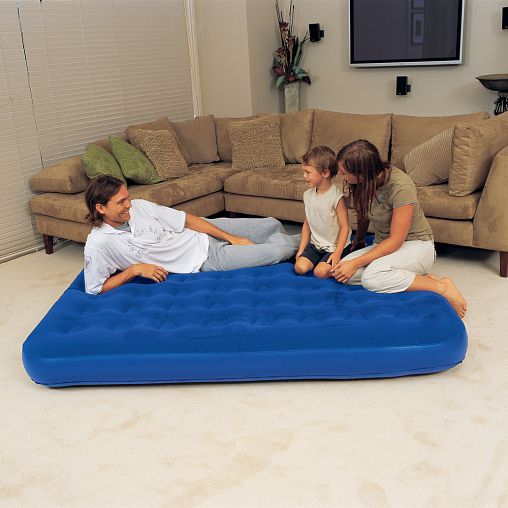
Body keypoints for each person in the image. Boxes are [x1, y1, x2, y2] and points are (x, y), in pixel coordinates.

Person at [83, 175, 300, 295]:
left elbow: (185, 220)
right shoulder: (98, 244)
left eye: (128, 198)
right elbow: (94, 289)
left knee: (271, 224)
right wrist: (133, 270)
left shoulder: (139, 206)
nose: (129, 204)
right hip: (205, 259)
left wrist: (230, 237)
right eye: (121, 202)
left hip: (202, 230)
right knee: (279, 251)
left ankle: (308, 244)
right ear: (100, 208)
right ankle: (314, 246)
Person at [331, 139, 467, 318]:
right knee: (344, 272)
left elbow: (396, 240)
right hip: (384, 245)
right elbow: (364, 212)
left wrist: (356, 263)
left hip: (416, 245)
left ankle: (442, 287)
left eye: (344, 172)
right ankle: (420, 279)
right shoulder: (364, 182)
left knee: (371, 277)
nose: (340, 174)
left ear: (362, 172)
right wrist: (359, 239)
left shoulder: (401, 186)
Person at [294, 146, 352, 278]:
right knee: (300, 268)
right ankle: (320, 260)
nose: (304, 176)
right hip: (316, 246)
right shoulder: (307, 195)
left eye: (308, 172)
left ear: (325, 173)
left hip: (335, 247)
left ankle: (345, 254)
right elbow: (307, 224)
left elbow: (345, 227)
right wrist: (301, 249)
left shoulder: (337, 197)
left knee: (320, 272)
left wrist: (337, 253)